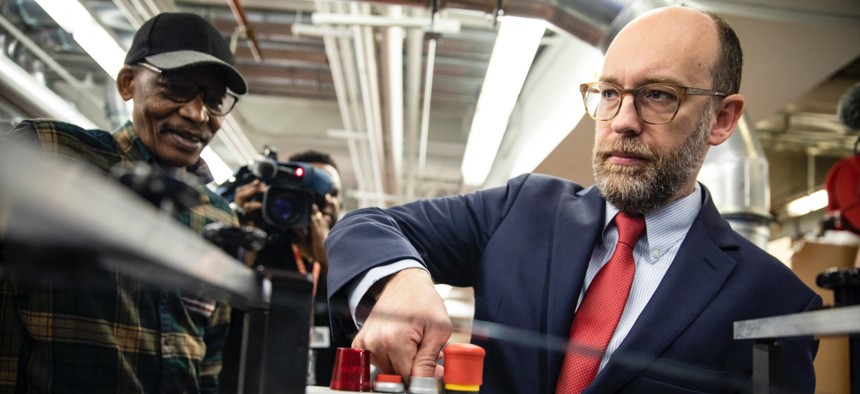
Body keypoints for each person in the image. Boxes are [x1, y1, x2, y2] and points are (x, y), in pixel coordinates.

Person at [325, 6, 821, 393]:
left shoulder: (774, 300)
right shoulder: (521, 210)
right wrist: (401, 280)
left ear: (722, 119)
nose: (622, 120)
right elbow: (364, 226)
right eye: (609, 93)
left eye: (658, 95)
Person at [0, 12, 247, 392]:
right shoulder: (52, 153)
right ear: (128, 83)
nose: (197, 114)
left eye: (214, 101)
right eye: (176, 87)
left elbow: (208, 358)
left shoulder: (219, 218)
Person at [221, 149, 343, 389]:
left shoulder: (348, 260)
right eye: (318, 192)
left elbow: (354, 333)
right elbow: (222, 317)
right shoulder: (261, 244)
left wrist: (328, 264)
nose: (327, 200)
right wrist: (243, 239)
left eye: (334, 193)